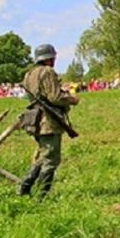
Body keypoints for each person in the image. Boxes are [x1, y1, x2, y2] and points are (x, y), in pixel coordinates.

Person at [18, 44, 79, 197]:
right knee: (51, 160)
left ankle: (24, 188)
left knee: (43, 156)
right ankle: (41, 195)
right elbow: (55, 97)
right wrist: (72, 99)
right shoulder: (47, 72)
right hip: (48, 121)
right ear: (48, 59)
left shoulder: (29, 74)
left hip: (35, 119)